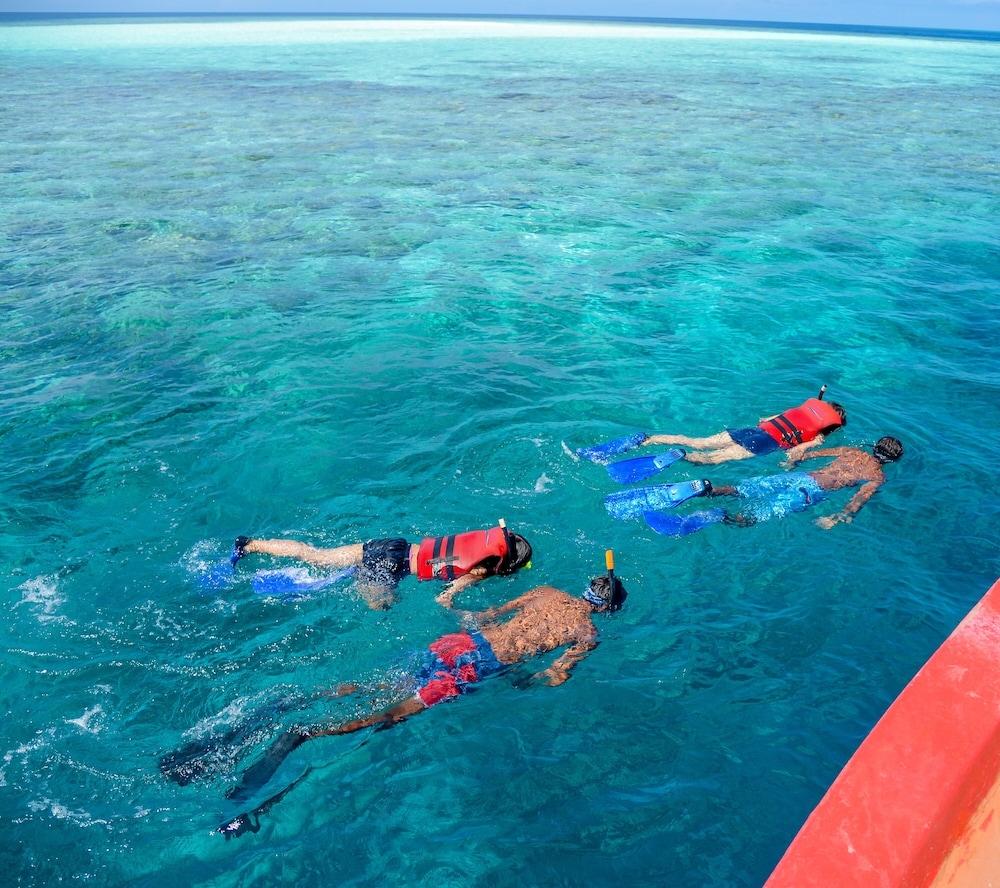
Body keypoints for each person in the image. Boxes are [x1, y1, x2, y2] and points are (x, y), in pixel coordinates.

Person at [172, 572, 627, 838]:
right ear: (606, 609)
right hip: (475, 669)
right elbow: (555, 676)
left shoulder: (546, 591)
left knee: (371, 683)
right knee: (390, 714)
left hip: (455, 643)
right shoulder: (587, 634)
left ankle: (295, 702)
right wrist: (527, 684)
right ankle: (305, 734)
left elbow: (483, 616)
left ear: (587, 587)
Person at [230, 522, 533, 609]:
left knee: (318, 556)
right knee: (382, 608)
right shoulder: (479, 571)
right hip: (393, 568)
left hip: (393, 546)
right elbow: (444, 597)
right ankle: (360, 576)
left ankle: (250, 545)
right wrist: (468, 614)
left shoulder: (477, 542)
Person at [647, 436, 903, 537]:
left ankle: (707, 488)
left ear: (874, 446)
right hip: (810, 493)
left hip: (801, 477)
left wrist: (795, 460)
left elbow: (812, 454)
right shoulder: (877, 476)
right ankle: (720, 516)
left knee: (742, 489)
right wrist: (837, 518)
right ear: (892, 460)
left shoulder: (851, 451)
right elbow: (858, 500)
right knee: (754, 516)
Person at [643, 394, 847, 465]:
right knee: (712, 459)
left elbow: (764, 419)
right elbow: (796, 451)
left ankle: (652, 439)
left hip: (751, 431)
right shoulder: (818, 436)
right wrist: (790, 464)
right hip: (764, 443)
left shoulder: (799, 410)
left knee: (699, 442)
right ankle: (680, 456)